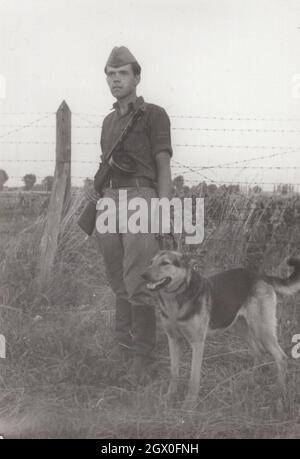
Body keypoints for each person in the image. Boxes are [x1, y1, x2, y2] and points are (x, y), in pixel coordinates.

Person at [95, 46, 173, 384]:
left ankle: (144, 358)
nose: (115, 79)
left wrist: (163, 209)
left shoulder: (154, 114)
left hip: (142, 195)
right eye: (111, 74)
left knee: (140, 277)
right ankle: (123, 346)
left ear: (137, 77)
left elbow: (163, 164)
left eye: (122, 73)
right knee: (117, 278)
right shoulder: (108, 121)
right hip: (110, 198)